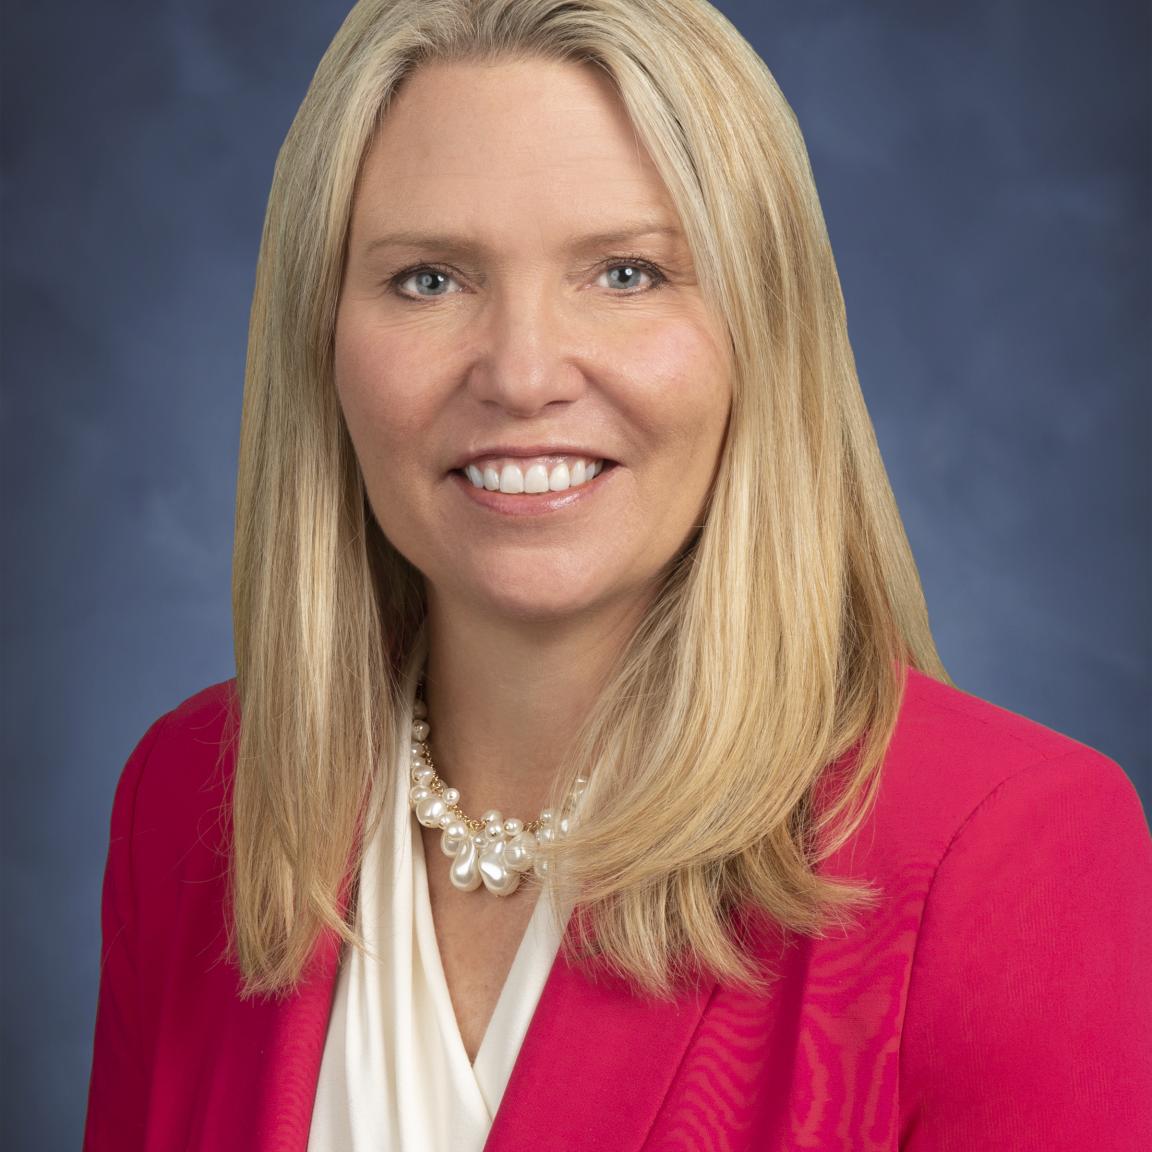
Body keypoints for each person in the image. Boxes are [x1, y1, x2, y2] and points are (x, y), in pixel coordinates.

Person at [83, 1, 1152, 1149]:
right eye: (431, 280)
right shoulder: (194, 805)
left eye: (627, 273)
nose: (523, 372)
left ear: (762, 336)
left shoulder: (1007, 856)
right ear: (321, 341)